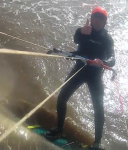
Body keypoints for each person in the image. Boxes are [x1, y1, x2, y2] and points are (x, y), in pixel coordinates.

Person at [45, 6, 115, 150]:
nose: (97, 21)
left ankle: (97, 143)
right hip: (79, 70)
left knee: (98, 109)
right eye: (95, 17)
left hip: (95, 76)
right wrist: (81, 31)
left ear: (104, 21)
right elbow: (76, 39)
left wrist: (103, 63)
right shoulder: (84, 31)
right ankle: (59, 130)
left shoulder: (107, 39)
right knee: (62, 97)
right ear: (91, 18)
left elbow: (112, 59)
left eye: (101, 19)